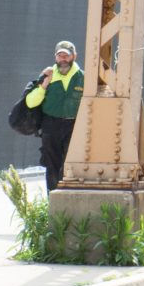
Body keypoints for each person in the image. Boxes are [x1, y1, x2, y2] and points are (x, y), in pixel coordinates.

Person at [23, 41, 85, 188]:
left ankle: (69, 199)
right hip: (51, 126)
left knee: (71, 165)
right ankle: (53, 202)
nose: (63, 59)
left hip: (74, 126)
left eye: (66, 56)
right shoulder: (47, 75)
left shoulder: (83, 77)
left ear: (74, 56)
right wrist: (44, 85)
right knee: (51, 165)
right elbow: (31, 102)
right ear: (55, 57)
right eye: (60, 56)